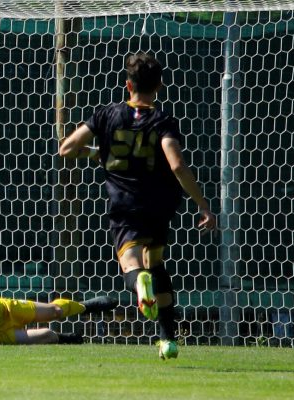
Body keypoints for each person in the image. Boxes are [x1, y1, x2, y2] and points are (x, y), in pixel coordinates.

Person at [59, 52, 216, 359]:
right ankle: (168, 339)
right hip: (159, 205)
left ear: (127, 85)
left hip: (124, 206)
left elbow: (67, 148)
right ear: (159, 86)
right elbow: (178, 165)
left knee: (133, 266)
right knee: (155, 263)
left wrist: (99, 155)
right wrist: (203, 205)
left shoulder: (107, 114)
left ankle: (139, 285)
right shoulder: (163, 121)